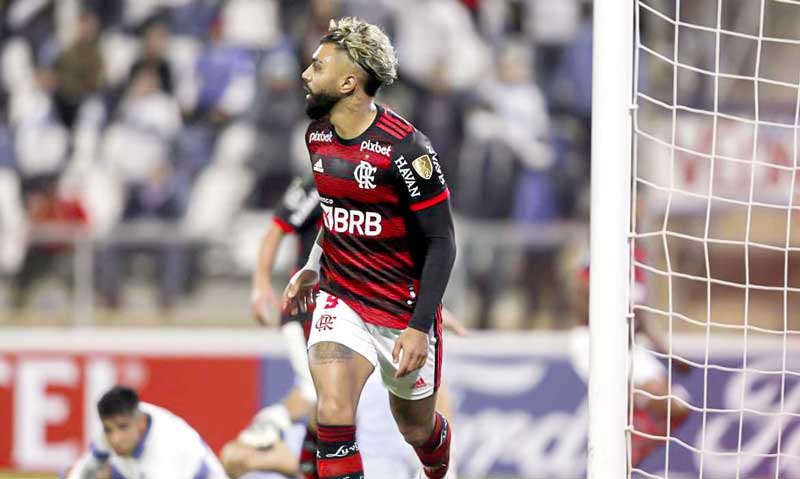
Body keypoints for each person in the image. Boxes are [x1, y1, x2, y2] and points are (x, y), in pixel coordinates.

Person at [282, 17, 457, 479]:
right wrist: (313, 264)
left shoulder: (408, 151)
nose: (306, 74)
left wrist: (420, 327)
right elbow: (336, 209)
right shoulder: (317, 135)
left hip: (401, 311)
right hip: (341, 298)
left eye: (318, 66)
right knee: (333, 408)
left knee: (415, 428)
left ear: (348, 81)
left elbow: (443, 241)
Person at [220, 176, 464, 478]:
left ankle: (282, 425)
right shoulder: (321, 183)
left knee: (340, 397)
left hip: (358, 304)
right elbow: (276, 229)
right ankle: (278, 421)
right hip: (313, 307)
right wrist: (260, 283)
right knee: (320, 394)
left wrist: (427, 310)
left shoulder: (379, 193)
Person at [567, 249, 691, 467]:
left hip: (629, 348)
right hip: (593, 341)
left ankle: (631, 457)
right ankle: (615, 458)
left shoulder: (640, 261)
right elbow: (578, 294)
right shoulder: (601, 253)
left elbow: (641, 317)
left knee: (679, 407)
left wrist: (670, 355)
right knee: (618, 401)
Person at [66, 385, 227, 479]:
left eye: (123, 427)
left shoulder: (167, 452)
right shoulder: (119, 422)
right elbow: (88, 467)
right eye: (108, 430)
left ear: (141, 423)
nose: (115, 439)